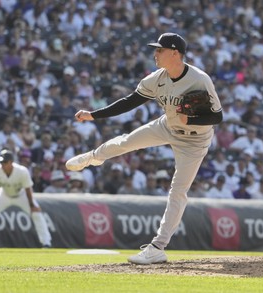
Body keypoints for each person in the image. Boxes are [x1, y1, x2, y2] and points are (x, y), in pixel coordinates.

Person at [65, 32, 223, 264]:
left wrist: (190, 121)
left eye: (159, 49)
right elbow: (129, 102)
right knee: (126, 141)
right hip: (167, 126)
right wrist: (93, 115)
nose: (155, 53)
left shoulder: (200, 79)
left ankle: (158, 247)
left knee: (178, 191)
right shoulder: (156, 79)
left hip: (195, 140)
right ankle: (93, 157)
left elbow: (217, 117)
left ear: (175, 53)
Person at [0, 150, 52, 248]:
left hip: (21, 195)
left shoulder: (22, 171)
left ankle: (46, 243)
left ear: (11, 162)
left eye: (5, 162)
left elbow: (28, 189)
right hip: (4, 194)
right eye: (1, 162)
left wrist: (32, 205)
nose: (2, 165)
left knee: (37, 214)